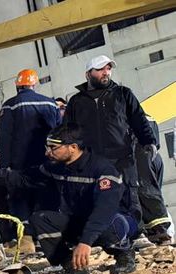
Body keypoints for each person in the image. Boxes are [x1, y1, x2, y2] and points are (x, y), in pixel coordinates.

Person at [0, 125, 139, 274]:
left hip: (113, 220)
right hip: (79, 221)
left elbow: (104, 210)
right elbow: (24, 178)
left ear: (73, 147)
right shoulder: (57, 167)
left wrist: (85, 243)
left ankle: (124, 251)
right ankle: (74, 268)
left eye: (53, 148)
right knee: (40, 219)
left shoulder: (102, 170)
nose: (47, 152)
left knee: (111, 224)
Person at [64, 55, 158, 226]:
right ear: (88, 74)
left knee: (129, 195)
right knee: (100, 198)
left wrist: (149, 141)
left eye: (108, 68)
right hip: (93, 161)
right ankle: (110, 237)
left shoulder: (123, 94)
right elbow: (68, 132)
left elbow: (139, 120)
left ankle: (136, 233)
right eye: (100, 69)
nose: (105, 73)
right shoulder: (76, 102)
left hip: (123, 156)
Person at [0, 69, 61, 252]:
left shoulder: (10, 105)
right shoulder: (50, 103)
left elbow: (5, 138)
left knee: (20, 200)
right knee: (46, 199)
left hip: (20, 164)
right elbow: (58, 134)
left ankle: (26, 242)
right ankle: (47, 239)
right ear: (34, 84)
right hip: (46, 163)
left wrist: (4, 166)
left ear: (18, 85)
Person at [135, 118, 172, 244]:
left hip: (141, 157)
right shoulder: (143, 116)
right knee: (152, 192)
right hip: (153, 156)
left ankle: (157, 231)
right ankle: (159, 232)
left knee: (144, 191)